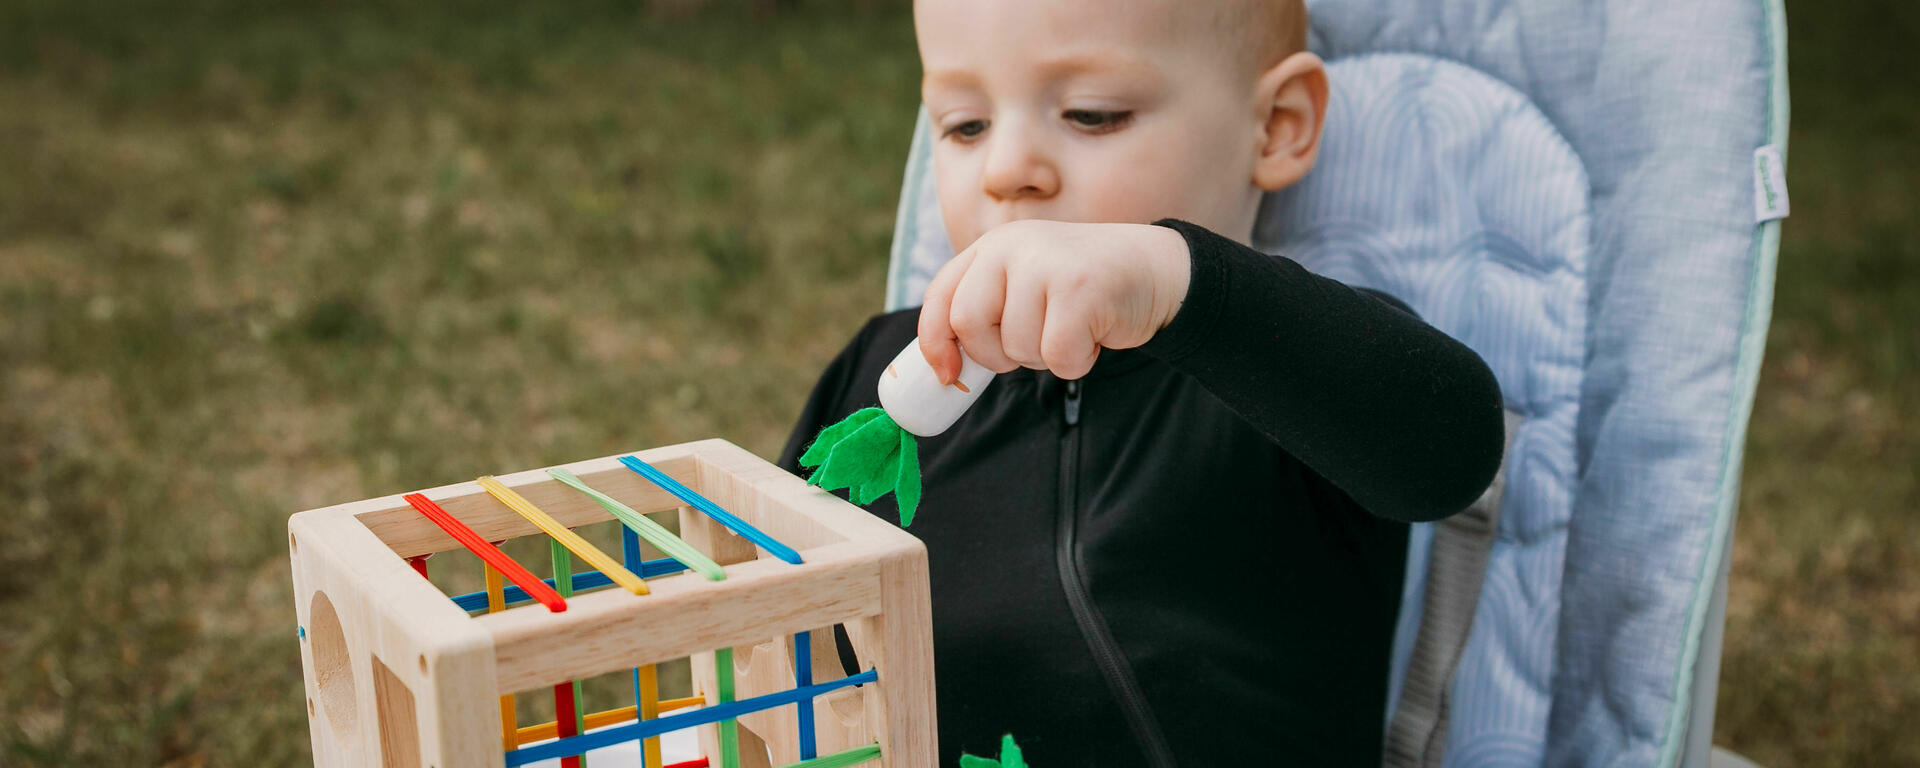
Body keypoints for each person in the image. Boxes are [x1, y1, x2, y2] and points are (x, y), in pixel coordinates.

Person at [776, 0, 1506, 764]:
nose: (1006, 170)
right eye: (965, 126)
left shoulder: (1297, 366)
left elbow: (1451, 450)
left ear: (1277, 125)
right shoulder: (884, 371)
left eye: (1093, 115)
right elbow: (769, 606)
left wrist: (1175, 284)